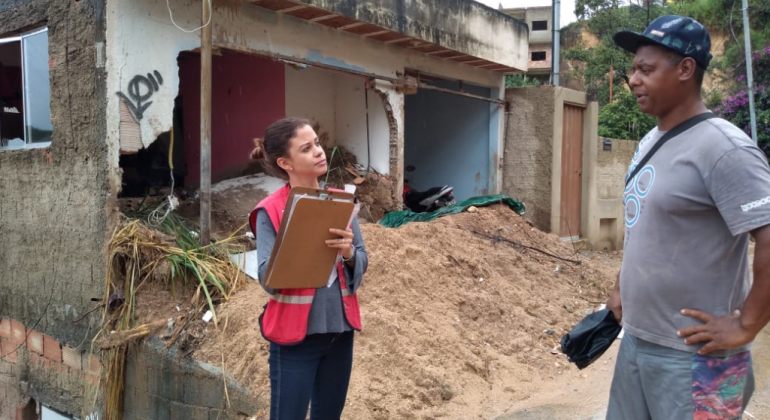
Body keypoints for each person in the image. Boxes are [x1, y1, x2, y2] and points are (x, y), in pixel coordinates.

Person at [606, 15, 770, 419]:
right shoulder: (650, 141)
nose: (633, 80)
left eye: (646, 69)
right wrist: (621, 286)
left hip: (701, 357)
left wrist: (747, 324)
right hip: (638, 342)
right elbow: (644, 226)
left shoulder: (725, 148)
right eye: (632, 70)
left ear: (685, 69)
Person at [248, 117, 368, 420]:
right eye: (306, 148)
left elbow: (363, 259)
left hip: (340, 334)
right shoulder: (270, 210)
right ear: (285, 162)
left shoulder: (342, 202)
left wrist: (349, 253)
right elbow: (266, 277)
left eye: (317, 143)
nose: (319, 151)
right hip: (294, 340)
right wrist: (300, 242)